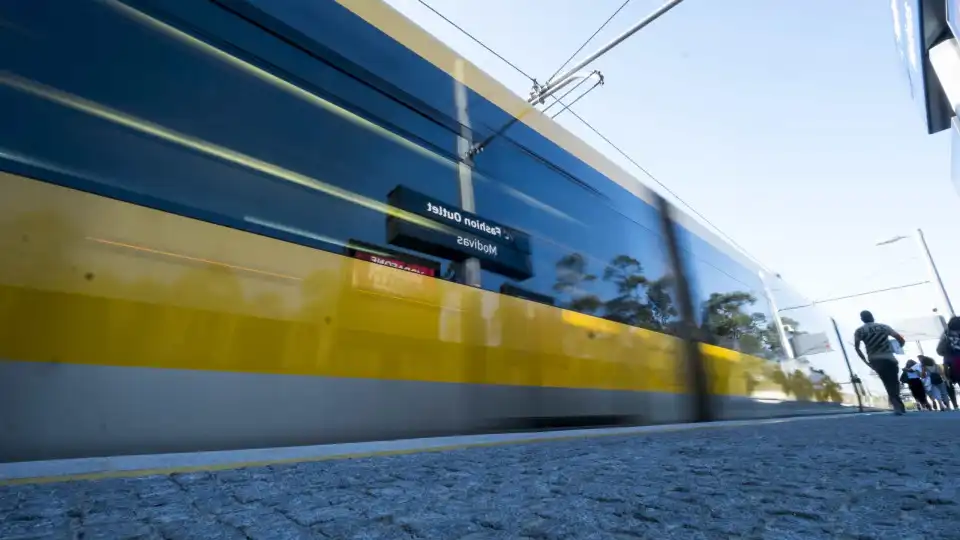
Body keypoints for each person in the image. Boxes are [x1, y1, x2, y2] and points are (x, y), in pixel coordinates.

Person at [854, 310, 906, 414]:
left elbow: (857, 348)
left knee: (886, 381)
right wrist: (897, 347)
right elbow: (900, 339)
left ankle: (896, 404)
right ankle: (897, 403)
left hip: (875, 359)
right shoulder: (884, 327)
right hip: (889, 357)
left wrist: (866, 362)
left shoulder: (859, 331)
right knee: (894, 381)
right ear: (872, 317)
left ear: (862, 319)